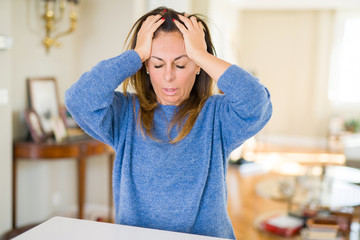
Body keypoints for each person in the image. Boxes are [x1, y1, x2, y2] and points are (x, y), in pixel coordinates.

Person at [65, 7, 272, 239]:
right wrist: (136, 54)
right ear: (145, 67)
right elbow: (78, 99)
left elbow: (257, 103)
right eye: (157, 64)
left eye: (181, 64)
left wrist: (202, 54)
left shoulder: (217, 115)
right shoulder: (124, 113)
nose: (168, 76)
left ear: (197, 67)